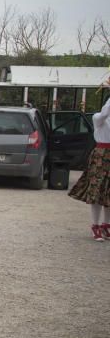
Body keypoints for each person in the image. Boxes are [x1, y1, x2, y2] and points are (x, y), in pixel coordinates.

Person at [68, 82, 110, 240]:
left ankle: (107, 225)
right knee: (97, 191)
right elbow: (105, 113)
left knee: (108, 193)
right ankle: (95, 225)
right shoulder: (98, 118)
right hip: (102, 154)